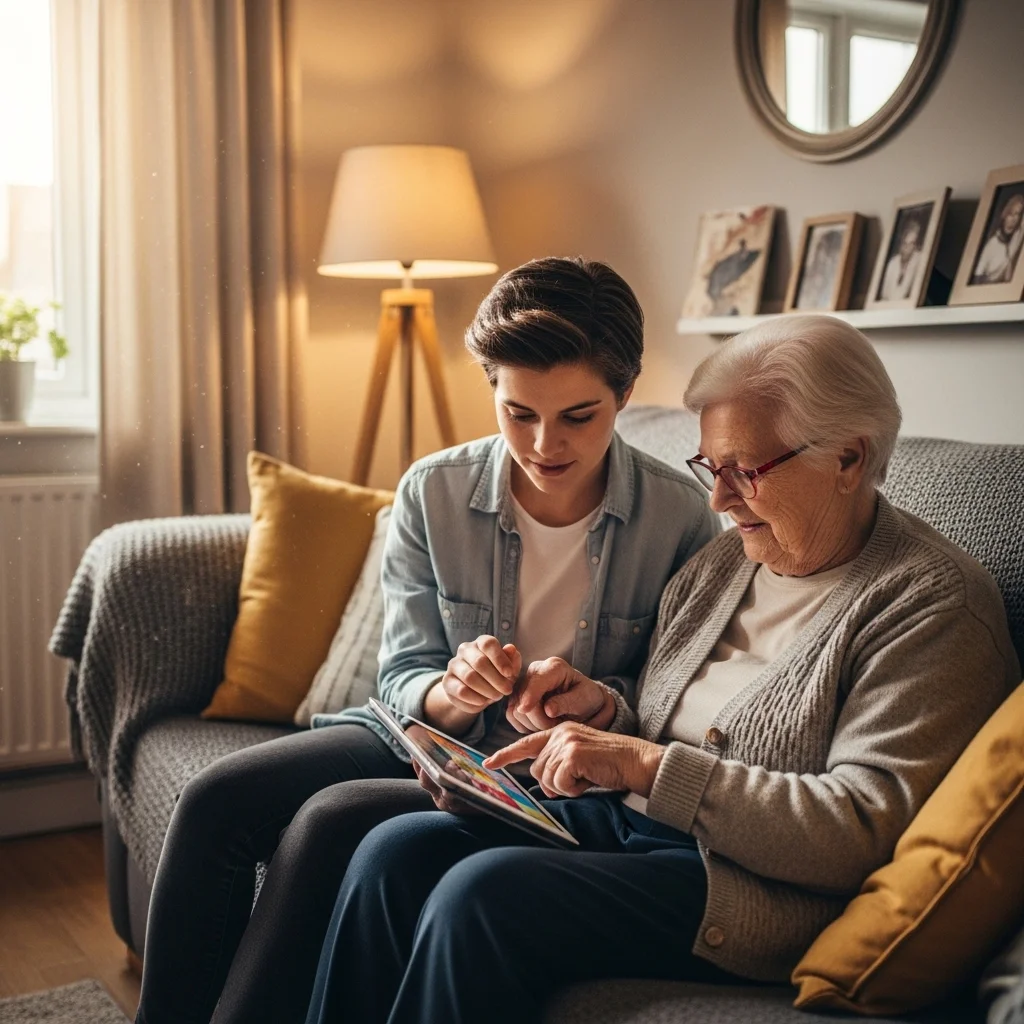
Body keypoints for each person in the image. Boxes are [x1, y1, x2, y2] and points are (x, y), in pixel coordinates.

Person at [305, 313, 1020, 1024]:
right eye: (711, 467)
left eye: (745, 471)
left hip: (745, 886)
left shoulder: (932, 605)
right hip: (624, 829)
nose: (718, 499)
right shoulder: (725, 563)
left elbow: (859, 829)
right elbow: (655, 717)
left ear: (849, 459)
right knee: (392, 852)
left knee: (483, 896)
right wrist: (599, 713)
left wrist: (642, 765)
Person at [133, 257, 719, 1024]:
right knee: (217, 800)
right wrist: (451, 691)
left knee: (330, 823)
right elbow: (404, 670)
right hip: (420, 738)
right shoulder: (431, 491)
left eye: (578, 416)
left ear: (626, 395)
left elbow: (675, 696)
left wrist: (601, 702)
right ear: (492, 391)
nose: (544, 445)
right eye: (519, 413)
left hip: (551, 774)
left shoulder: (682, 517)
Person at [972, 192, 1024, 285]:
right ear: (1004, 216)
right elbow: (977, 278)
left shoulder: (1017, 234)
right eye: (1011, 214)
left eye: (1018, 214)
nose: (1014, 219)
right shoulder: (991, 246)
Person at [879, 216, 923, 301]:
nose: (908, 248)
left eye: (912, 243)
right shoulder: (893, 263)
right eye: (905, 244)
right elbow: (884, 296)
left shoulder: (919, 260)